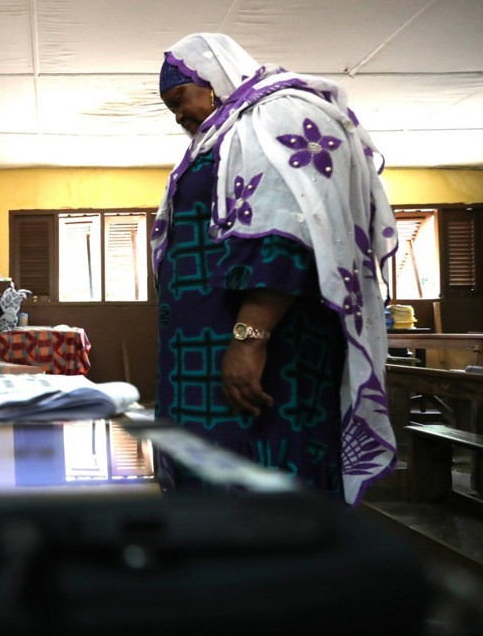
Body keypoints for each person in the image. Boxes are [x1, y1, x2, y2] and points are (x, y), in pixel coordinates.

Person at [151, 34, 399, 505]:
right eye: (171, 109)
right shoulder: (225, 134)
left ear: (214, 78)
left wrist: (250, 338)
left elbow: (288, 229)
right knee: (215, 488)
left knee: (266, 478)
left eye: (180, 99)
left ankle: (275, 577)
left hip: (264, 354)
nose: (179, 116)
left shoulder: (276, 114)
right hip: (204, 366)